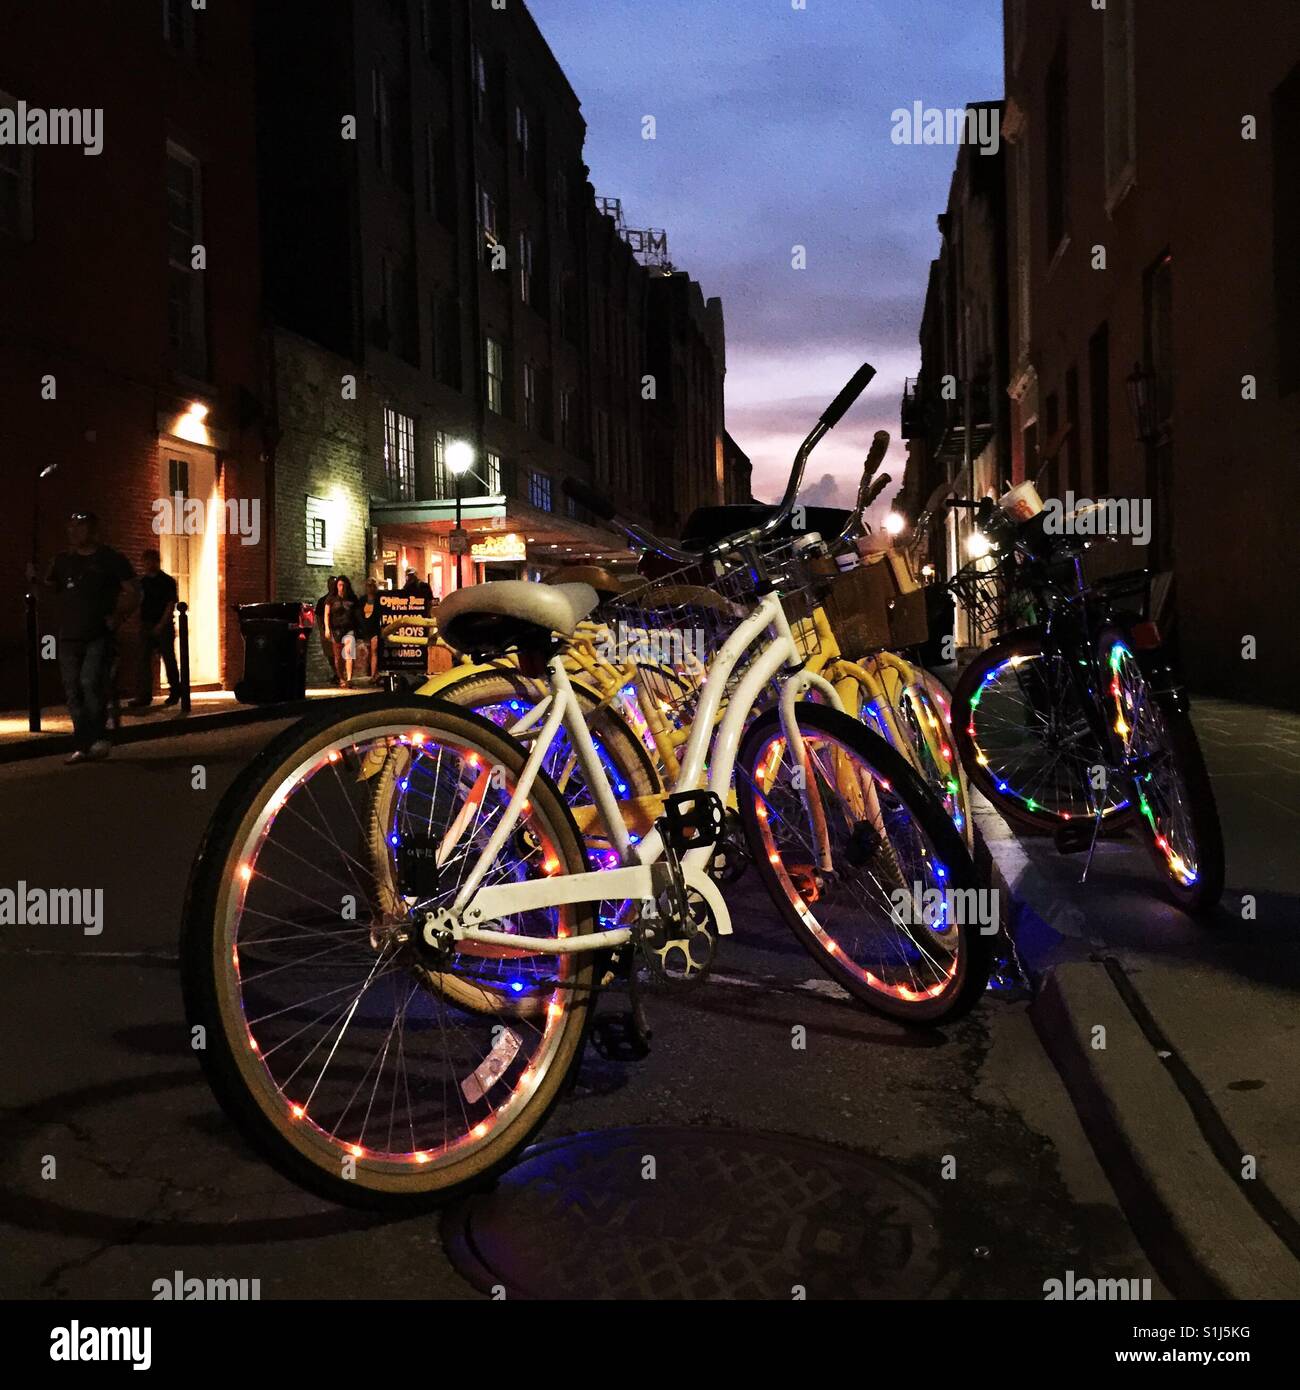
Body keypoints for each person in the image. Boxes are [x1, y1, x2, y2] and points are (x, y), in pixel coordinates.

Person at [44, 511, 137, 764]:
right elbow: (48, 589)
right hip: (69, 635)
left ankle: (98, 736)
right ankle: (83, 743)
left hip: (98, 633)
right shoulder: (62, 561)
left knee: (90, 682)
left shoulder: (110, 559)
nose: (73, 531)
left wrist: (118, 616)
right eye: (70, 525)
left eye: (80, 526)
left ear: (93, 530)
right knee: (73, 689)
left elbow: (132, 591)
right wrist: (33, 580)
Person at [131, 548, 181, 708]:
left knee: (168, 659)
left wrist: (161, 624)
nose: (146, 565)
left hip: (163, 625)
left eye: (149, 561)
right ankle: (144, 696)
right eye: (144, 562)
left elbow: (170, 604)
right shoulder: (142, 582)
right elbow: (138, 603)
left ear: (156, 562)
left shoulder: (167, 581)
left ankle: (175, 692)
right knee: (142, 661)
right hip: (146, 624)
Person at [324, 575, 358, 688]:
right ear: (336, 586)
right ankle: (341, 678)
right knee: (338, 657)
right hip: (336, 629)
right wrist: (327, 629)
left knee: (349, 654)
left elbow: (357, 614)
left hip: (349, 629)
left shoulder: (352, 598)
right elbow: (326, 614)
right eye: (339, 585)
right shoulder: (331, 598)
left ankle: (349, 679)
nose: (341, 587)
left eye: (343, 585)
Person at [354, 578, 383, 681]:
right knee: (369, 652)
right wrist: (361, 626)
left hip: (375, 626)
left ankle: (373, 674)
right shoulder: (362, 600)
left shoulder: (379, 599)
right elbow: (358, 613)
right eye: (368, 585)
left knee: (374, 650)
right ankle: (374, 672)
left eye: (372, 585)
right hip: (366, 627)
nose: (370, 587)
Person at [314, 577, 337, 683]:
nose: (332, 586)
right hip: (327, 631)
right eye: (330, 584)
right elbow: (318, 616)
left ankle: (340, 674)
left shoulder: (341, 599)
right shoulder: (323, 600)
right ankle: (336, 674)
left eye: (334, 584)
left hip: (338, 631)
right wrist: (321, 631)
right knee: (330, 655)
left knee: (339, 654)